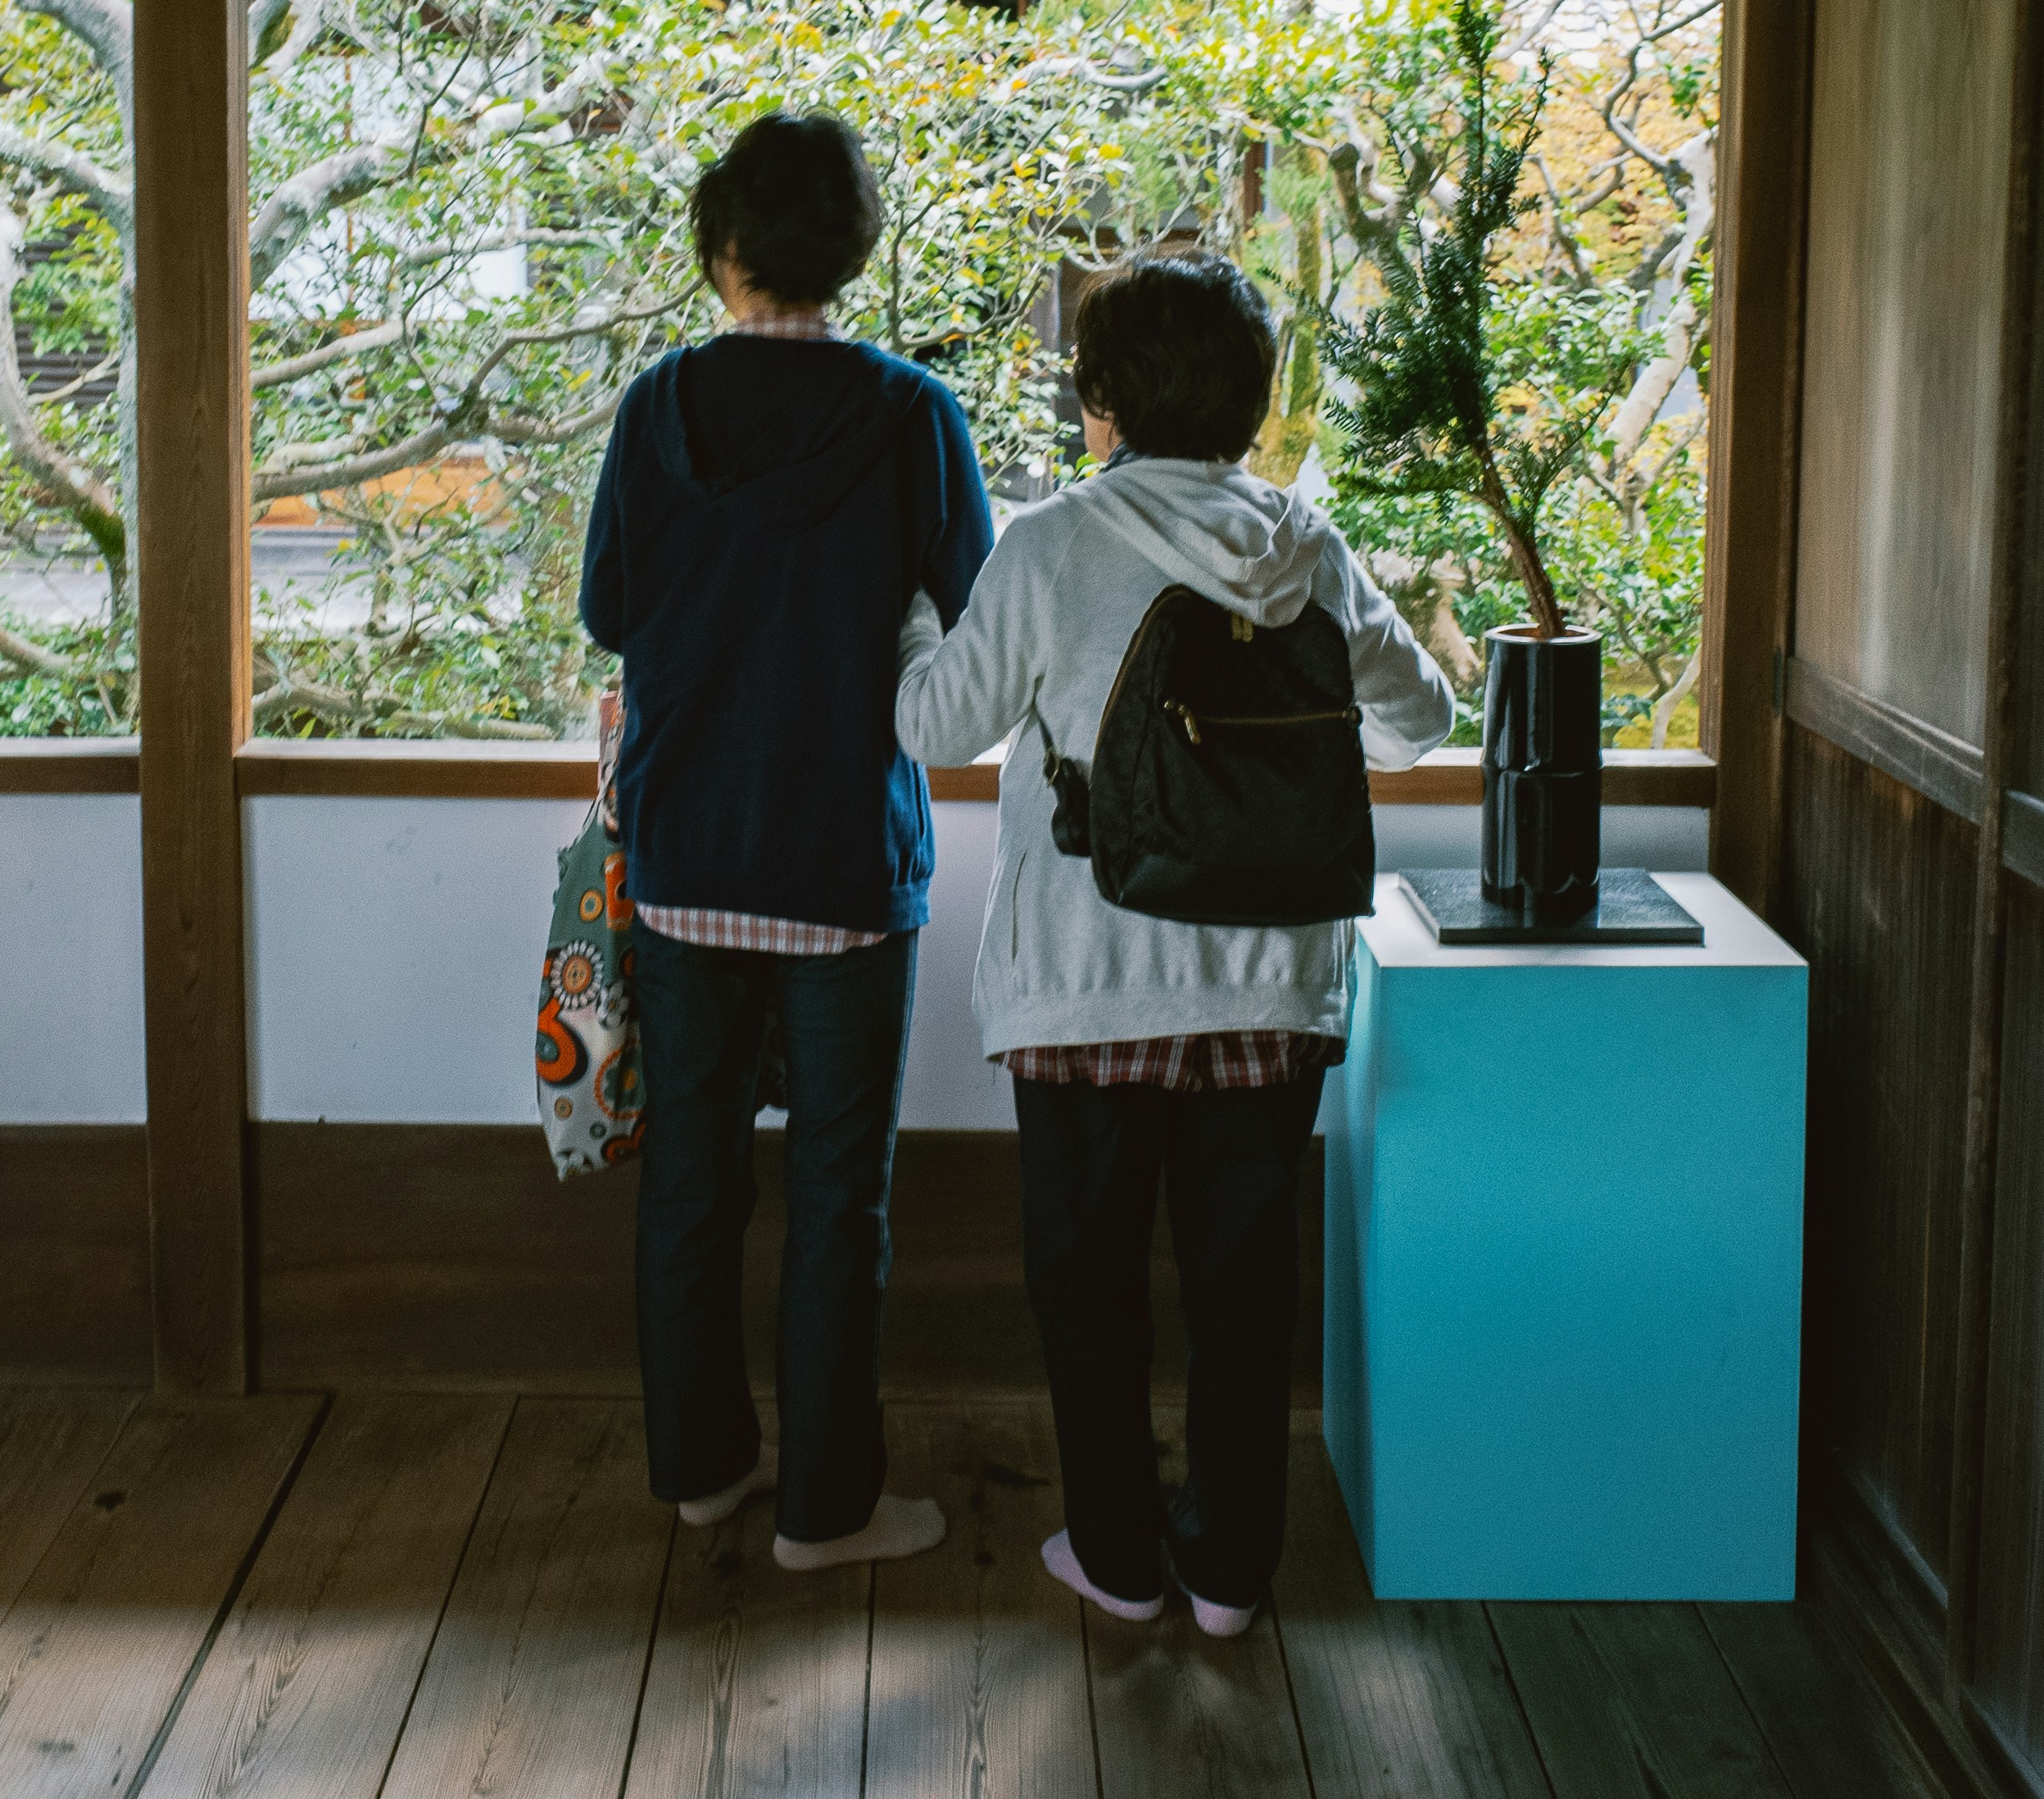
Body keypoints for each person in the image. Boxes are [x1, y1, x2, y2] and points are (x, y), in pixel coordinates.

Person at [895, 254, 1453, 1636]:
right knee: (1241, 1284)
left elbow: (930, 726)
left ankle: (1117, 1553)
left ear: (1102, 400)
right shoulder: (1305, 546)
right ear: (1251, 403)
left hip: (1083, 983)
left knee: (1087, 1283)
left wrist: (913, 616)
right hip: (1269, 985)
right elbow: (1423, 715)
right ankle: (1226, 1571)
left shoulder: (1047, 542)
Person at [578, 111, 991, 1571]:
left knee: (689, 1176)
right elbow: (982, 614)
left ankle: (698, 1471)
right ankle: (826, 1506)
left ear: (721, 248)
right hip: (843, 860)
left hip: (688, 852)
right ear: (851, 249)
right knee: (838, 1192)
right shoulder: (912, 415)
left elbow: (608, 611)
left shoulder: (654, 407)